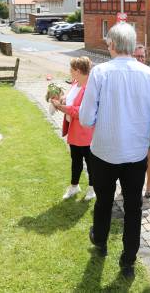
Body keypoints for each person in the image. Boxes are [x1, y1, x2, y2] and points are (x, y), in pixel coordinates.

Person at [79, 23, 150, 278]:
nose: (108, 48)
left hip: (105, 152)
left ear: (115, 45)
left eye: (108, 44)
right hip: (135, 154)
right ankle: (128, 261)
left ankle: (101, 241)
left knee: (104, 201)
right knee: (133, 208)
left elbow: (85, 118)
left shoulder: (100, 73)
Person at [51, 57, 95, 200]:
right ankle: (74, 186)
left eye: (71, 69)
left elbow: (80, 111)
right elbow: (70, 99)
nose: (69, 71)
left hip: (86, 133)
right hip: (74, 131)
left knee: (90, 163)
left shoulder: (89, 87)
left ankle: (92, 188)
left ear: (78, 70)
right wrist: (61, 99)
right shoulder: (76, 83)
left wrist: (61, 107)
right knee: (76, 161)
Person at [132, 44, 150, 198]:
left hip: (147, 120)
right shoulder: (128, 73)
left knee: (148, 153)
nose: (140, 59)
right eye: (137, 56)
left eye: (142, 56)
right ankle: (131, 182)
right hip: (130, 121)